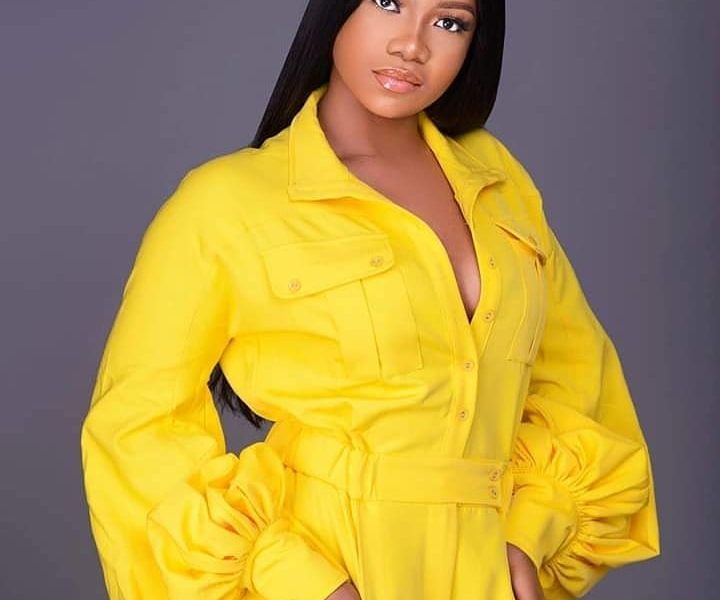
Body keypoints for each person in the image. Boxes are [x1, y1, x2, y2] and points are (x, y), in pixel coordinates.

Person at [79, 1, 661, 599]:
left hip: (487, 571)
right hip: (330, 567)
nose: (412, 45)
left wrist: (531, 534)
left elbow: (578, 375)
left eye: (450, 22)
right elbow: (136, 425)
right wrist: (298, 579)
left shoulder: (498, 178)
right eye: (388, 2)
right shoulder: (226, 202)